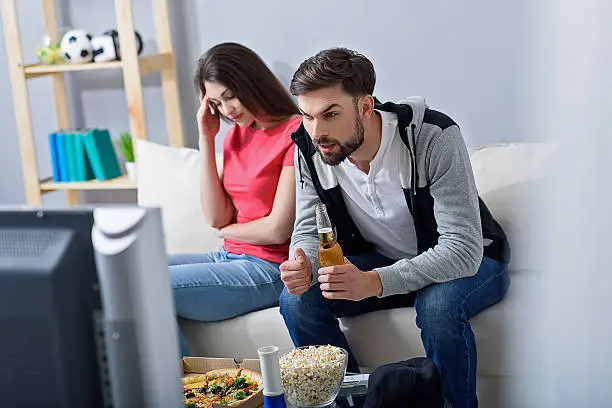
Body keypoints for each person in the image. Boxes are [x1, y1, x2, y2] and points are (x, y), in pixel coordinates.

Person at [279, 48, 511, 408]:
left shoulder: (433, 137)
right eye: (307, 116)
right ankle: (348, 404)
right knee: (297, 301)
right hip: (386, 258)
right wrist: (303, 263)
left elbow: (463, 250)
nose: (316, 131)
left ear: (366, 107)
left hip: (472, 261)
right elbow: (309, 228)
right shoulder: (311, 148)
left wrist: (375, 282)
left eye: (331, 114)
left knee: (437, 308)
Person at [169, 42, 301, 354]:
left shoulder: (296, 134)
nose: (227, 110)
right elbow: (216, 217)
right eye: (217, 102)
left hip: (271, 267)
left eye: (230, 96)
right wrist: (206, 137)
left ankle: (184, 394)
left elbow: (277, 230)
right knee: (139, 270)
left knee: (153, 285)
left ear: (251, 82)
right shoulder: (235, 135)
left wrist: (227, 231)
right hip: (230, 256)